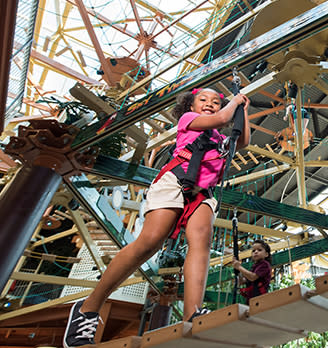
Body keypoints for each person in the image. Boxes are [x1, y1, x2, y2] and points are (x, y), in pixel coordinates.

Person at [63, 88, 250, 348]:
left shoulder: (219, 137)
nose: (210, 104)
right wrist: (235, 104)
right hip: (175, 181)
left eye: (216, 102)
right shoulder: (188, 121)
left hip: (202, 193)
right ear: (191, 106)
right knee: (150, 242)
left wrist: (243, 110)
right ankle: (88, 308)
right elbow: (220, 120)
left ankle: (193, 313)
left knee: (202, 242)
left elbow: (242, 143)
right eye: (203, 100)